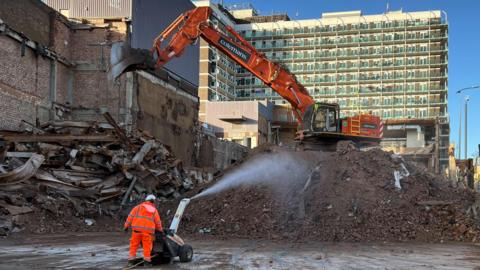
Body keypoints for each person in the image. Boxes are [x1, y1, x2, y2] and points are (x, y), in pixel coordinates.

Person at [124, 194, 163, 266]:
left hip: (136, 231)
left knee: (133, 246)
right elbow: (158, 222)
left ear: (146, 201)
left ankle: (131, 262)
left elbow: (130, 217)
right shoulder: (154, 210)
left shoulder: (137, 208)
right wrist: (160, 230)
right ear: (153, 202)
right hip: (147, 233)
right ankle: (147, 263)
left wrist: (126, 226)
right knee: (147, 247)